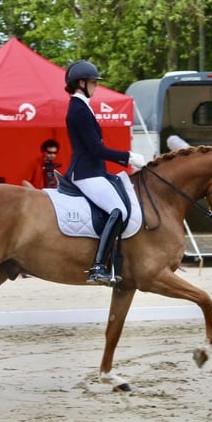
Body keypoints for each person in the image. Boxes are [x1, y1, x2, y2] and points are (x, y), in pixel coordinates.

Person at [64, 60, 145, 286]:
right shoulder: (78, 109)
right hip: (85, 172)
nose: (96, 87)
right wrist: (127, 157)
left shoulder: (82, 106)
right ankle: (98, 266)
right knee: (117, 210)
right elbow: (95, 149)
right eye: (93, 82)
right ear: (81, 83)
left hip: (93, 170)